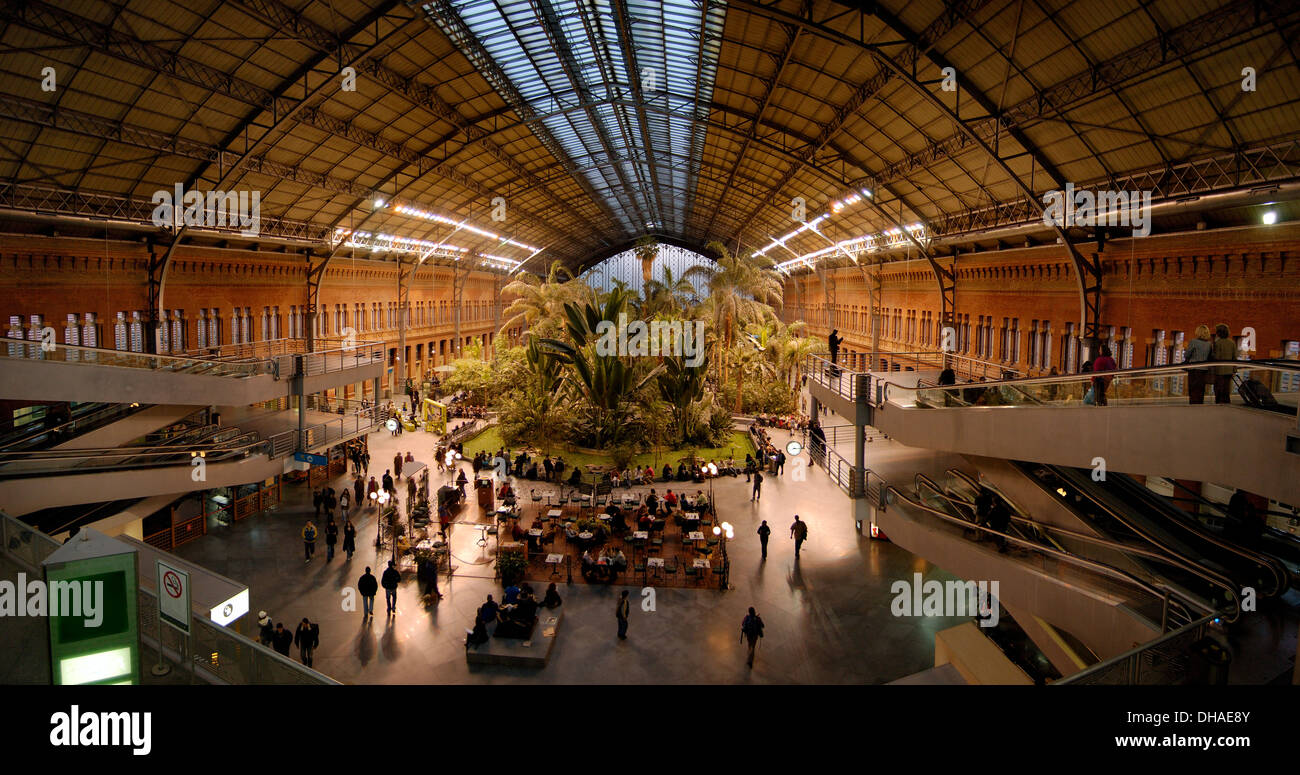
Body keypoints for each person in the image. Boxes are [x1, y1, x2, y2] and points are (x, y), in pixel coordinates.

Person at [1210, 323, 1236, 404]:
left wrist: (1212, 353)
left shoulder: (1218, 343)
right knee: (1226, 389)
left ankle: (1219, 403)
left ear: (1219, 332)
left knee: (1218, 389)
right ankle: (1226, 403)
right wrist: (1234, 370)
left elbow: (1216, 356)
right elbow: (1234, 357)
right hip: (1229, 370)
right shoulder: (1232, 342)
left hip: (1219, 370)